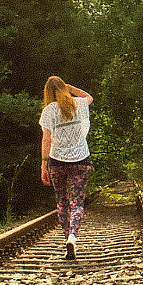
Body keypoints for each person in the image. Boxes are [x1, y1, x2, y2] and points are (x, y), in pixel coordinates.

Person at [39, 75, 93, 260]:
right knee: (77, 202)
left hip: (57, 161)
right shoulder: (78, 104)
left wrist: (43, 164)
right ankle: (73, 237)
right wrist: (71, 88)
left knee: (62, 202)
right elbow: (89, 97)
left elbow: (46, 139)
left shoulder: (48, 111)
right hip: (80, 159)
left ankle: (67, 242)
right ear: (64, 89)